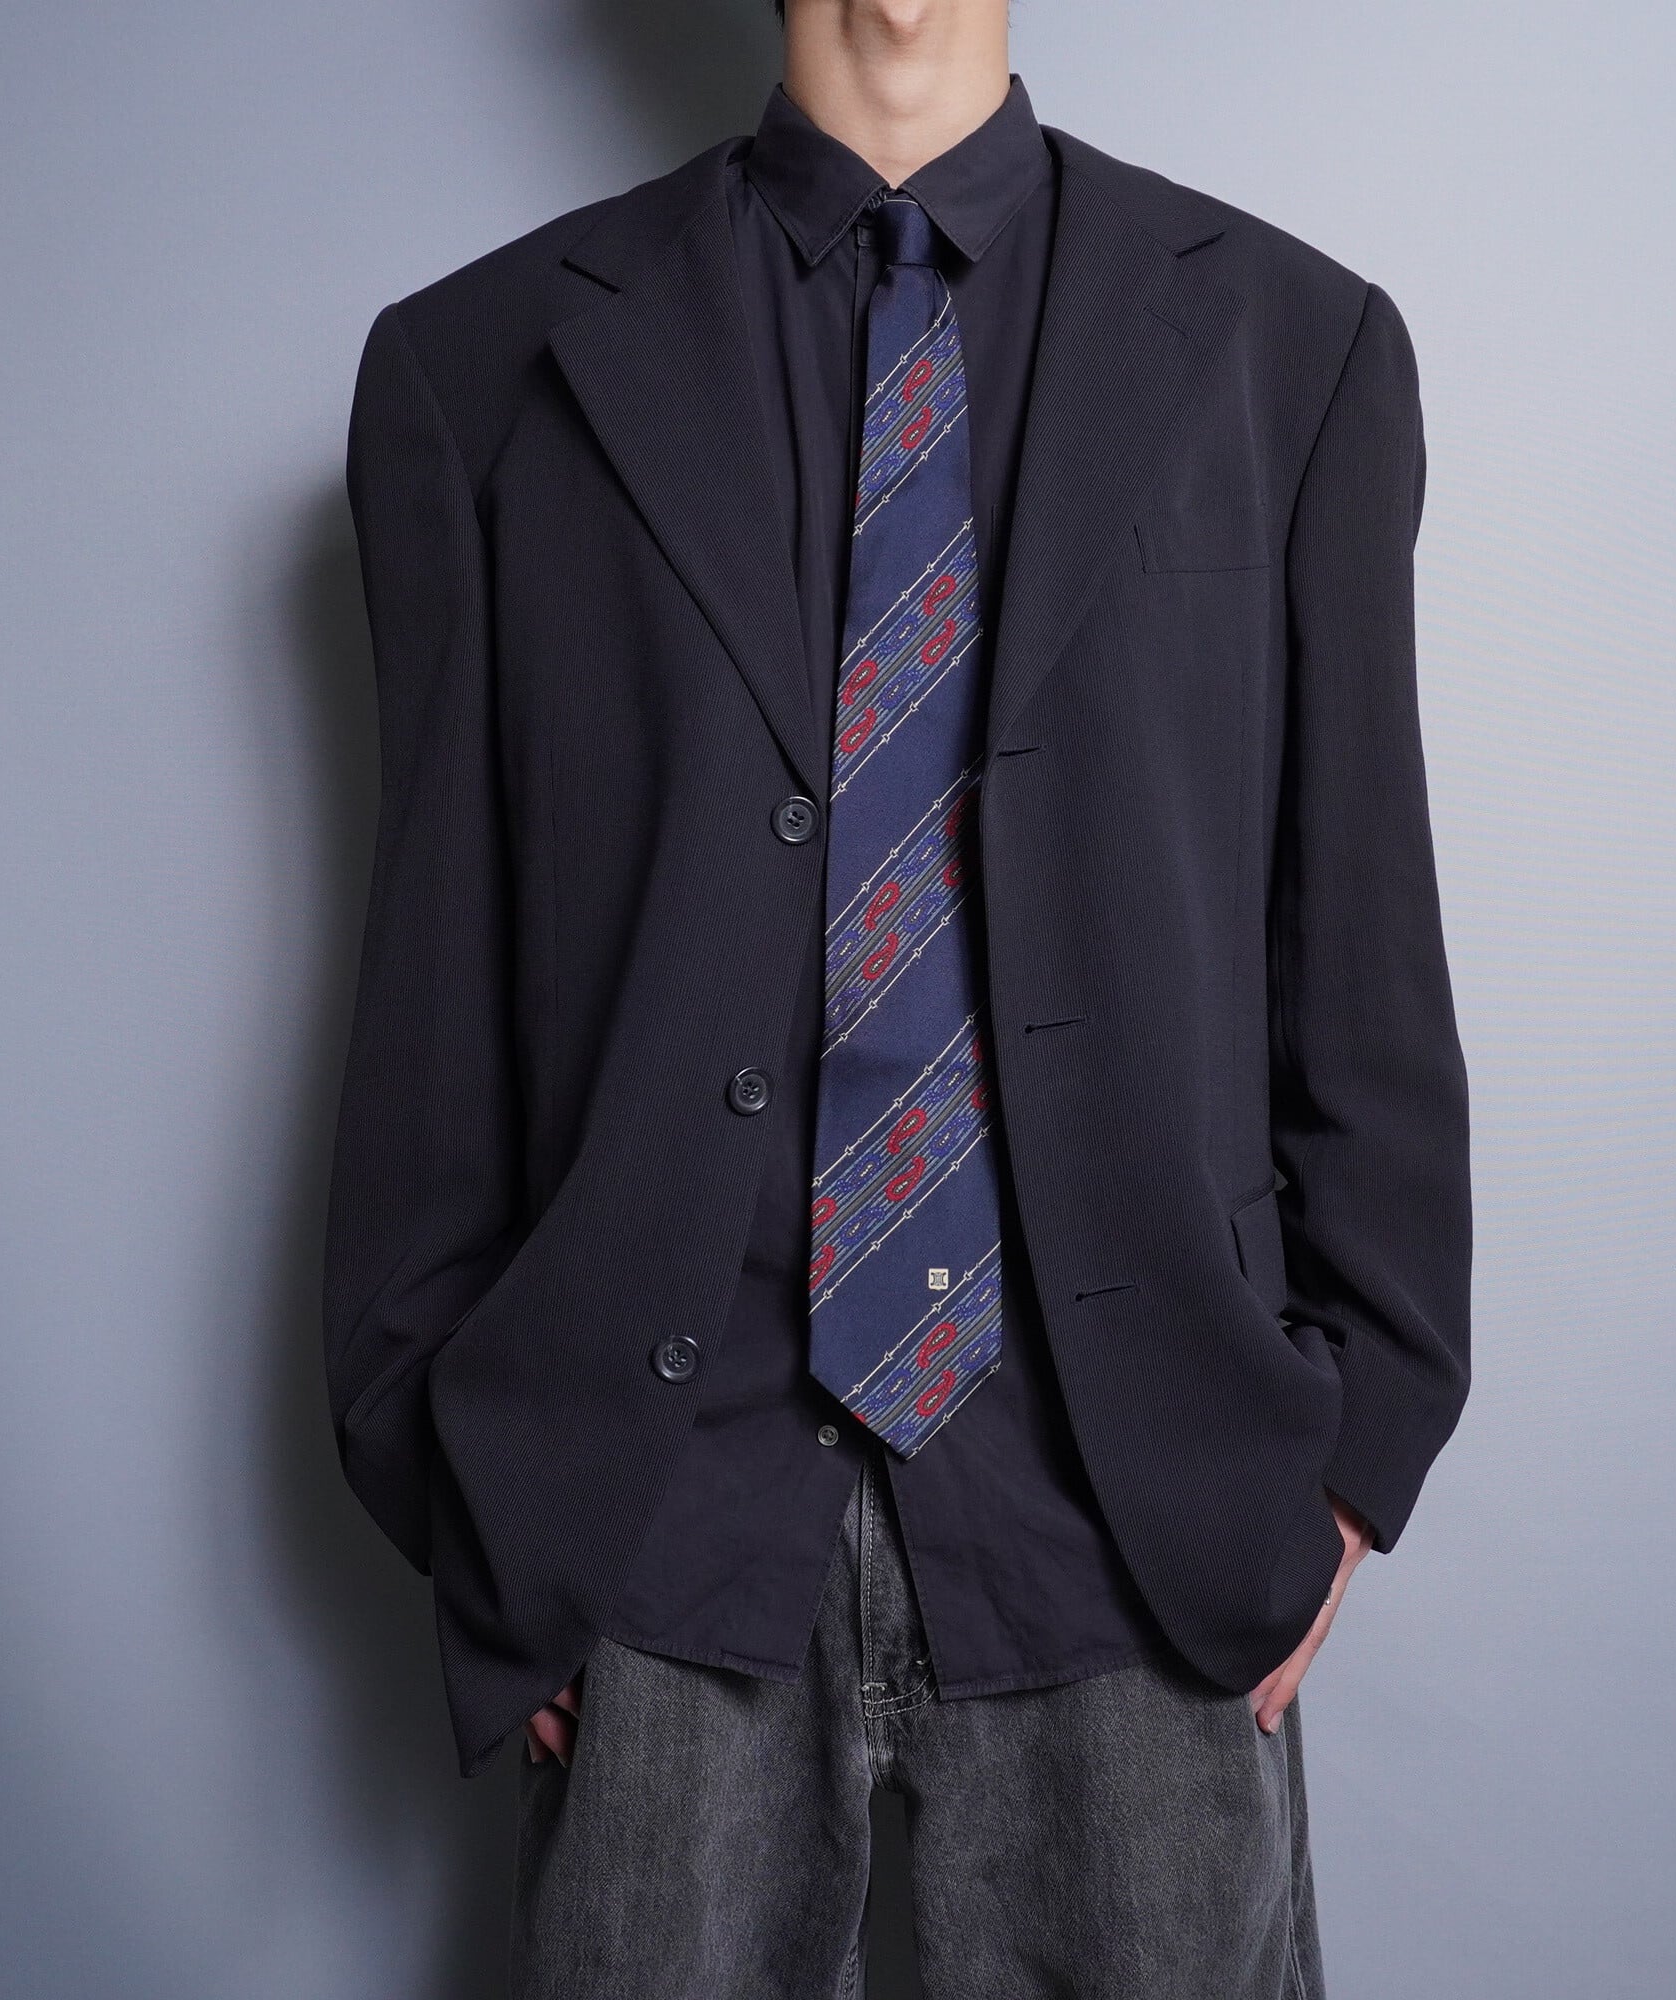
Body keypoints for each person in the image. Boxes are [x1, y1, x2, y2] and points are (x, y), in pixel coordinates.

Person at [325, 0, 1471, 1990]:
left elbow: (1358, 923)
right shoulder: (481, 371)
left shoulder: (1292, 349)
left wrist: (1359, 1440)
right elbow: (433, 982)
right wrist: (481, 1493)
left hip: (1132, 1515)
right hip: (657, 1521)